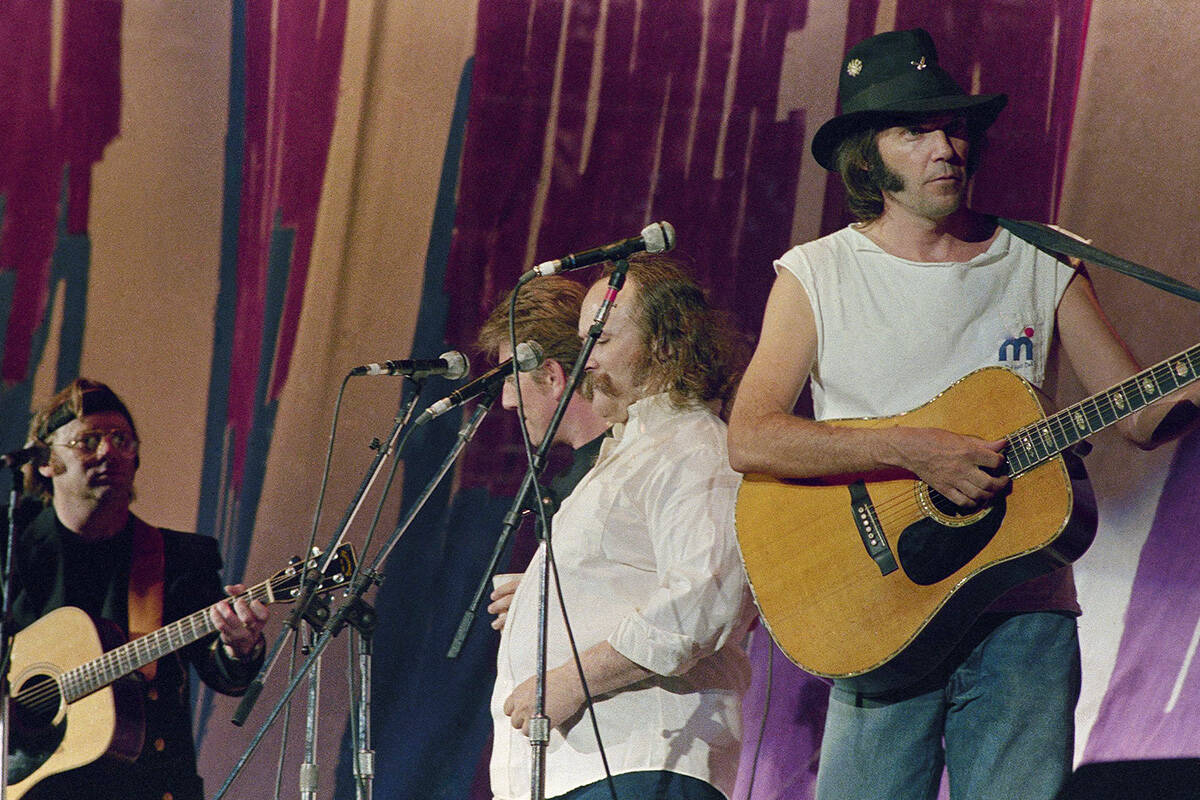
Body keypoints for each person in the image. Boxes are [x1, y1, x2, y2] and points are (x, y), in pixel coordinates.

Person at [726, 28, 1200, 800]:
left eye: (952, 126)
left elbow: (1139, 419)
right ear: (866, 156)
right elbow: (751, 437)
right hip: (878, 605)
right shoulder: (818, 274)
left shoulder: (1042, 256)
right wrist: (917, 452)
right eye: (914, 131)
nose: (945, 146)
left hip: (1025, 611)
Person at [489, 255, 756, 800]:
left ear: (665, 344)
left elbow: (705, 599)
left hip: (644, 763)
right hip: (580, 771)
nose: (584, 360)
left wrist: (570, 679)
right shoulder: (631, 453)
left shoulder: (693, 444)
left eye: (602, 340)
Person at [9, 378, 270, 800]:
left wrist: (238, 646)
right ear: (44, 461)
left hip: (145, 784)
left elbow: (222, 671)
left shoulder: (179, 557)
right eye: (87, 440)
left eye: (121, 440)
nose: (108, 451)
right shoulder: (11, 551)